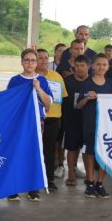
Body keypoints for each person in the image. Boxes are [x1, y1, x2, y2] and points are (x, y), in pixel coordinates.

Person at [7, 48, 53, 202]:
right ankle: (13, 188)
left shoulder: (42, 81)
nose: (30, 63)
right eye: (26, 60)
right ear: (21, 62)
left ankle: (33, 189)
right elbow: (7, 103)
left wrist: (38, 88)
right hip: (18, 125)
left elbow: (48, 105)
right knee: (17, 154)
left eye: (33, 60)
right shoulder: (15, 81)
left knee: (34, 154)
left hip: (36, 124)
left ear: (37, 62)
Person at [75, 53, 112, 198]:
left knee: (105, 153)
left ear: (108, 66)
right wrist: (86, 97)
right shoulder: (87, 83)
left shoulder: (111, 83)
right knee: (91, 153)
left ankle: (100, 183)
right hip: (91, 125)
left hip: (107, 126)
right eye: (98, 64)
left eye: (104, 64)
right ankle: (90, 182)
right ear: (93, 66)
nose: (101, 67)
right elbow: (78, 105)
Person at [36, 49, 68, 191]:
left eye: (45, 58)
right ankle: (33, 179)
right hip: (35, 118)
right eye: (40, 58)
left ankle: (49, 179)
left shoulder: (57, 76)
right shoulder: (32, 77)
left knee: (49, 150)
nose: (43, 60)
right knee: (34, 149)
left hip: (53, 119)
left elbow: (63, 98)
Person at [62, 55, 90, 186]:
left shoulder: (93, 82)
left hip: (88, 122)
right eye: (77, 65)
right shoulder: (67, 81)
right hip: (71, 121)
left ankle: (89, 177)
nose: (79, 68)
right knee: (71, 149)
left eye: (83, 65)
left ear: (88, 67)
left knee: (86, 149)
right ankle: (71, 176)